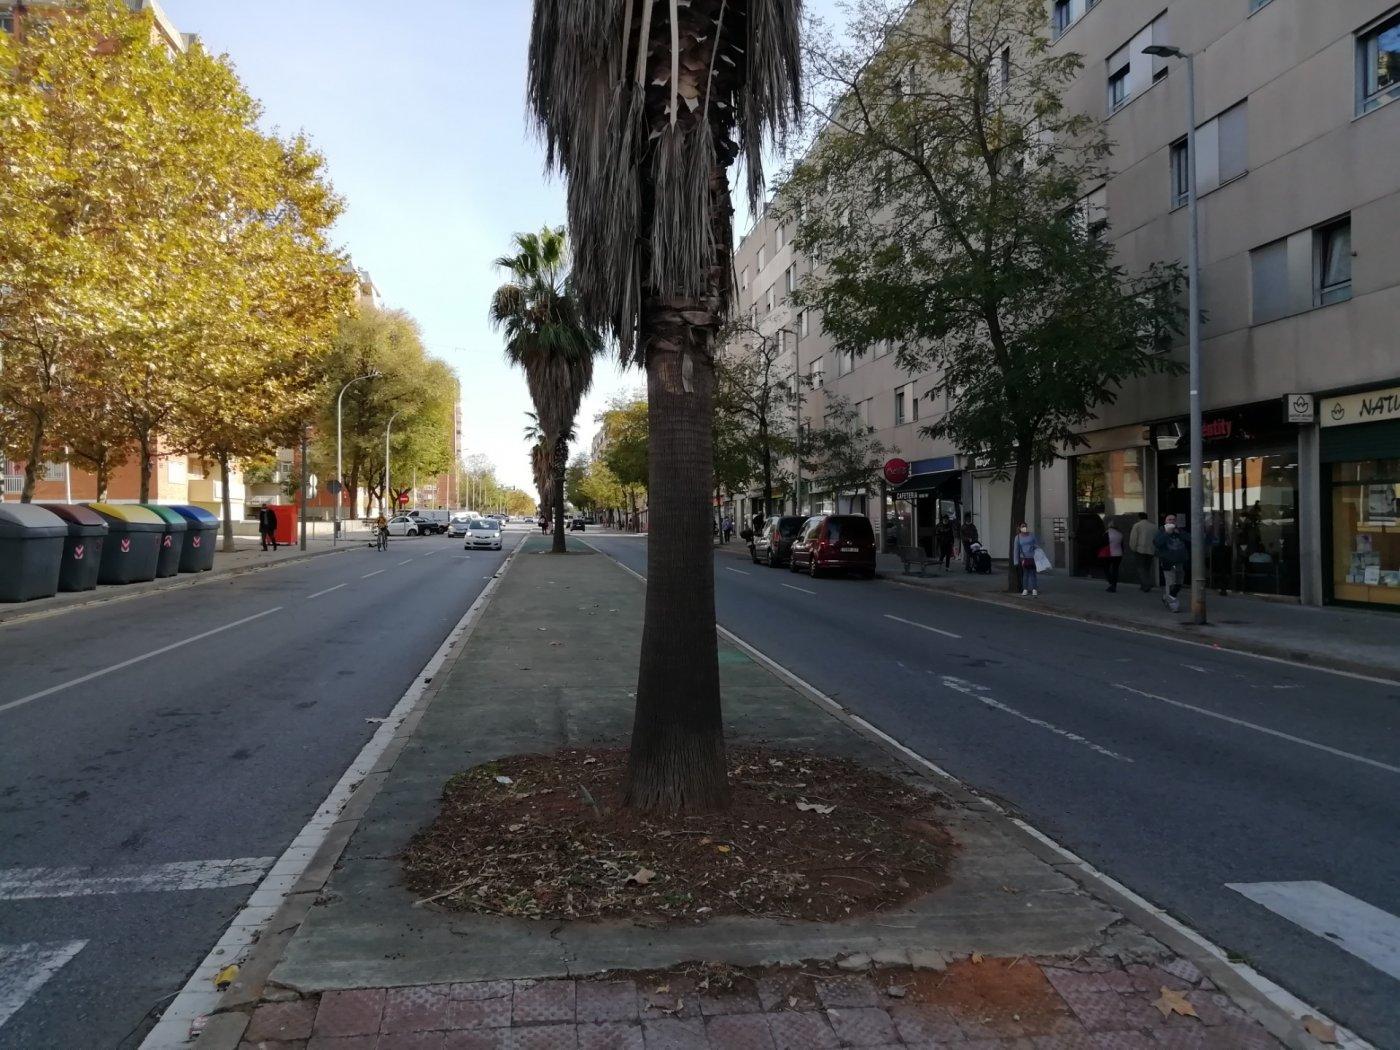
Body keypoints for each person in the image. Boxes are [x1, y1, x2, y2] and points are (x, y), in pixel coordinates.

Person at [1154, 514, 1190, 613]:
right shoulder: (1161, 530)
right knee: (1170, 582)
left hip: (1180, 560)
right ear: (1165, 521)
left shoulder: (1179, 531)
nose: (1172, 521)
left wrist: (1179, 533)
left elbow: (1190, 538)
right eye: (1169, 519)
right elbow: (1157, 543)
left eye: (1174, 520)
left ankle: (1167, 597)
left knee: (1179, 582)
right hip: (1168, 561)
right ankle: (1173, 604)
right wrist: (1167, 533)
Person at [1128, 512, 1156, 592]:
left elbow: (1133, 538)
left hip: (1140, 550)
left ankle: (1146, 585)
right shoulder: (1154, 526)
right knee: (1147, 568)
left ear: (1139, 517)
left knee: (1141, 568)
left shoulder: (1137, 525)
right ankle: (1144, 584)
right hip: (1151, 550)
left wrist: (1133, 548)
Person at [1013, 522, 1040, 596]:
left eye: (1025, 526)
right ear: (1019, 528)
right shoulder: (1018, 537)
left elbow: (1036, 544)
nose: (1024, 527)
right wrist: (1016, 561)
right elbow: (1016, 550)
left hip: (1032, 556)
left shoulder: (1031, 535)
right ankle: (1025, 589)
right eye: (1022, 526)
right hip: (1023, 558)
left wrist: (1037, 551)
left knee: (1033, 573)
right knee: (1025, 573)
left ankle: (1034, 589)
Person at [1102, 517, 1124, 593]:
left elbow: (1103, 544)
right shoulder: (1120, 534)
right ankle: (1114, 584)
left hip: (1109, 554)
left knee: (1106, 569)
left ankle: (1111, 582)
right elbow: (1122, 545)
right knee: (1115, 570)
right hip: (1118, 554)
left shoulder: (1106, 534)